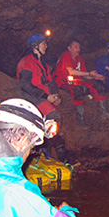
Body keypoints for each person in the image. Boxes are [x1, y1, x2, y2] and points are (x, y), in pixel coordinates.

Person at [16, 32, 70, 163]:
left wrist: (56, 96)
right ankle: (53, 154)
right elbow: (25, 85)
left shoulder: (44, 64)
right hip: (34, 98)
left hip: (45, 99)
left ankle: (52, 154)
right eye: (43, 43)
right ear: (35, 46)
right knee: (54, 120)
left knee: (54, 125)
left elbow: (50, 82)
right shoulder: (26, 62)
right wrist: (46, 96)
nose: (46, 46)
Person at [53, 39, 109, 126]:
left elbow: (85, 75)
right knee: (78, 91)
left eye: (79, 47)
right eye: (75, 47)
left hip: (78, 82)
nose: (78, 49)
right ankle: (80, 119)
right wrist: (89, 73)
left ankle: (104, 113)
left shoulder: (80, 59)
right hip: (64, 82)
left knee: (98, 87)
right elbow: (71, 71)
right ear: (69, 48)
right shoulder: (66, 55)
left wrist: (95, 76)